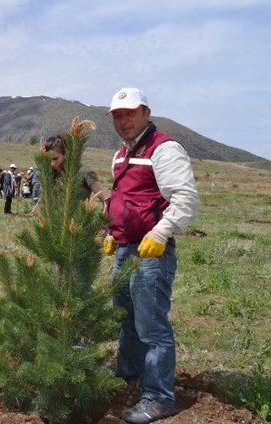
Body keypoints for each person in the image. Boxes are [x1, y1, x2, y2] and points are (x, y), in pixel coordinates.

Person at [103, 88, 199, 424]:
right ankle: (128, 370)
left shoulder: (164, 148)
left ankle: (159, 398)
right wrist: (113, 234)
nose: (123, 121)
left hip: (152, 253)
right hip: (126, 248)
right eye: (117, 115)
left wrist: (160, 233)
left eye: (129, 113)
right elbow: (124, 200)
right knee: (124, 315)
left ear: (146, 112)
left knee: (151, 326)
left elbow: (185, 198)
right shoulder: (121, 154)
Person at [40, 135, 110, 203]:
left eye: (55, 159)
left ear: (66, 154)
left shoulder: (84, 171)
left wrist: (108, 208)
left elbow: (103, 194)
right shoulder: (50, 173)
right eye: (48, 159)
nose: (52, 163)